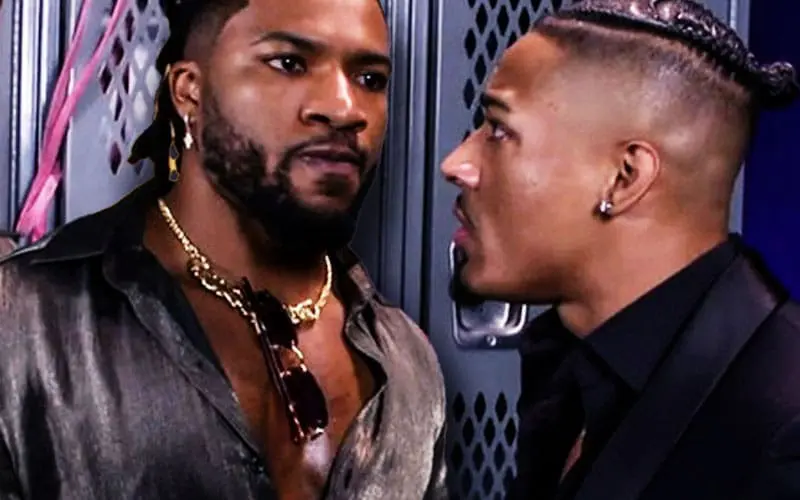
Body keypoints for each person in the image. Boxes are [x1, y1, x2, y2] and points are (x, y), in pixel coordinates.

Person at [0, 0, 447, 498]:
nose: (345, 109)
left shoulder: (408, 365)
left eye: (370, 79)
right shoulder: (24, 321)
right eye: (289, 63)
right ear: (189, 91)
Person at [441, 0, 800, 499]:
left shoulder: (785, 424)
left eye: (499, 131)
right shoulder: (564, 368)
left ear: (625, 177)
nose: (456, 163)